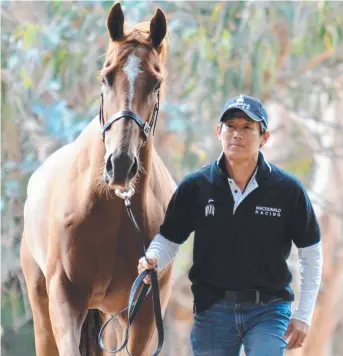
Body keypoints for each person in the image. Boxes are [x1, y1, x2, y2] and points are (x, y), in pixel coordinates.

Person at [137, 94, 323, 355]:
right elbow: (169, 239)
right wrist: (154, 258)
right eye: (231, 126)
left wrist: (304, 314)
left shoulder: (288, 190)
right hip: (212, 310)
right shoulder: (195, 186)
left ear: (264, 137)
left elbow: (311, 253)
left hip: (268, 310)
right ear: (218, 131)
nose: (237, 134)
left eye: (247, 127)